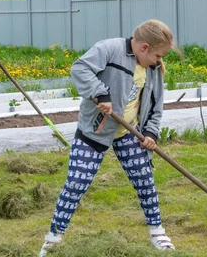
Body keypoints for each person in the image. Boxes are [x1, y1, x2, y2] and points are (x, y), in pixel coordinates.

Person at [40, 19, 178, 256]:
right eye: (157, 56)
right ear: (144, 47)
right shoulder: (109, 49)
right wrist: (100, 93)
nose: (159, 61)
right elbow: (79, 69)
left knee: (145, 180)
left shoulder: (153, 69)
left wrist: (150, 133)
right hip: (95, 130)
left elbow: (156, 105)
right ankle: (53, 239)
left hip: (129, 131)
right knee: (76, 184)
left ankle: (157, 232)